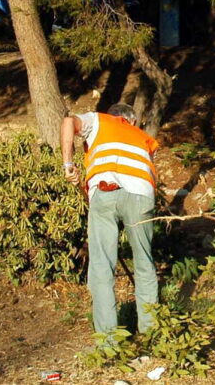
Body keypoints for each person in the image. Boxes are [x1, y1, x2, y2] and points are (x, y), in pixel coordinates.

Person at [61, 103, 159, 338]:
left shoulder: (98, 120)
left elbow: (67, 122)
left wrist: (68, 165)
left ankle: (107, 342)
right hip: (141, 196)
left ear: (111, 115)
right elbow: (150, 173)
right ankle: (151, 334)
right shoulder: (145, 138)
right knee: (144, 263)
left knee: (102, 266)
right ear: (132, 121)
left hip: (104, 194)